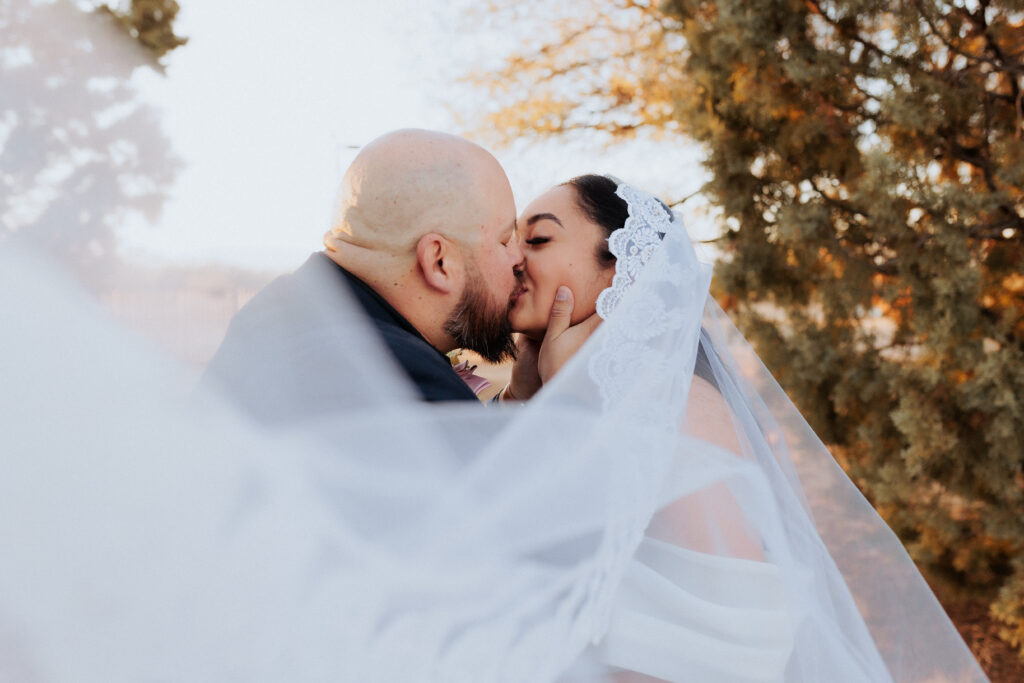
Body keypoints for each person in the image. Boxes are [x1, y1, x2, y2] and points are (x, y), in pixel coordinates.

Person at [201, 129, 524, 420]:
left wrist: (513, 398)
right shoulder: (400, 379)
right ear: (440, 262)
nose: (519, 259)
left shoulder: (274, 314)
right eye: (505, 239)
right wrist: (568, 397)